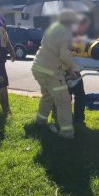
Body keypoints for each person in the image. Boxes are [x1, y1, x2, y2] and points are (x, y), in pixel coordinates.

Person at [32, 10, 80, 139]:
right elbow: (64, 54)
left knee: (47, 96)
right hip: (51, 72)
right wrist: (74, 67)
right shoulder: (65, 32)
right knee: (63, 101)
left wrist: (66, 67)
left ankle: (40, 122)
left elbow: (54, 52)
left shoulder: (52, 29)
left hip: (38, 68)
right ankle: (67, 134)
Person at [68, 16, 91, 124]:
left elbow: (86, 55)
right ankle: (65, 118)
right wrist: (69, 70)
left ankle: (79, 119)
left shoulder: (83, 40)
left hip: (76, 72)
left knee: (80, 96)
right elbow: (62, 56)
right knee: (65, 97)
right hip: (64, 71)